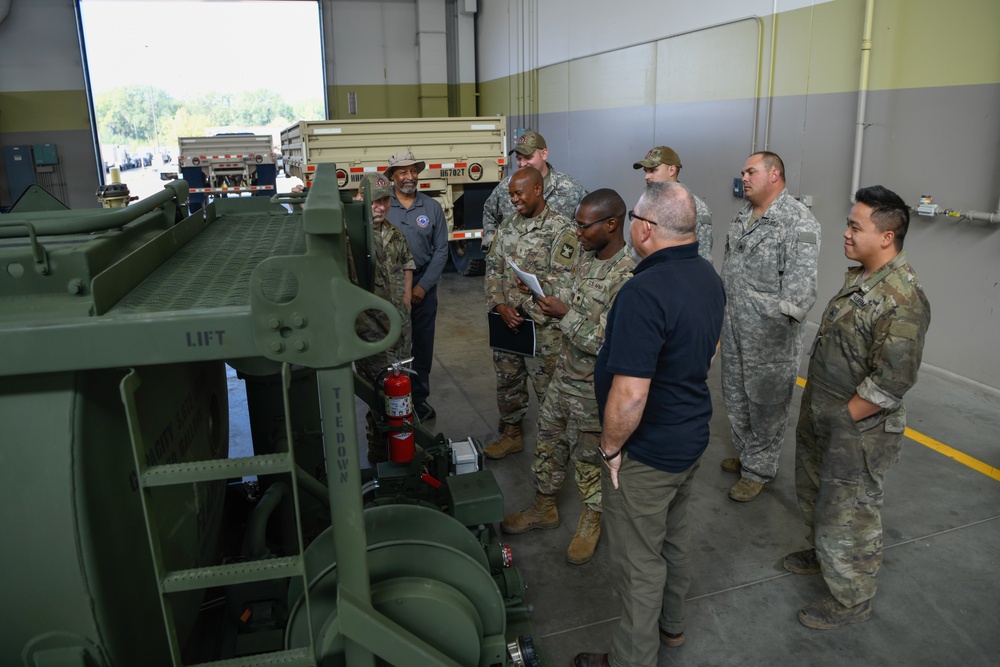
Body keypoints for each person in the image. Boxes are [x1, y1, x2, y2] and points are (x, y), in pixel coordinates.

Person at [573, 182, 724, 667]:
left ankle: (630, 659)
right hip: (690, 438)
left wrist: (613, 450)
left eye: (636, 217)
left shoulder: (643, 291)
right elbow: (709, 351)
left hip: (648, 453)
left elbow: (631, 392)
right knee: (675, 541)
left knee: (638, 563)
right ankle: (671, 629)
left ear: (648, 229)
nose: (634, 224)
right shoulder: (707, 277)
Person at [786, 185, 930, 629]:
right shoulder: (863, 279)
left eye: (855, 226)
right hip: (828, 414)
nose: (846, 233)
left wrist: (843, 417)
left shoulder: (902, 299)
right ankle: (823, 553)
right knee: (816, 494)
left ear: (886, 236)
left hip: (858, 429)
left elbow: (893, 381)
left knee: (851, 513)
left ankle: (852, 599)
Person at [500, 189, 634, 565]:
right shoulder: (585, 259)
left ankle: (592, 520)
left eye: (582, 225)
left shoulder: (627, 276)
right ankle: (545, 508)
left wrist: (563, 315)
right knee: (548, 445)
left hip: (594, 389)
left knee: (589, 460)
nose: (576, 232)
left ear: (610, 224)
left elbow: (610, 342)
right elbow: (567, 298)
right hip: (563, 376)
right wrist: (537, 296)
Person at [720, 151, 821, 502]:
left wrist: (778, 332)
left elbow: (802, 288)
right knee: (735, 394)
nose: (744, 178)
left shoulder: (798, 221)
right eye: (743, 172)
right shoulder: (745, 215)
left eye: (751, 171)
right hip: (734, 324)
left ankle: (759, 468)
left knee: (767, 402)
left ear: (774, 174)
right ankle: (750, 451)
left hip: (770, 334)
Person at [483, 166, 578, 459]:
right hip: (507, 322)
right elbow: (493, 270)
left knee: (548, 391)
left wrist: (532, 296)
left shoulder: (562, 229)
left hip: (543, 328)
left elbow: (568, 280)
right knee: (508, 382)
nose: (514, 200)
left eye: (519, 193)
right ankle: (511, 435)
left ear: (537, 189)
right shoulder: (507, 226)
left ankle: (553, 450)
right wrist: (500, 306)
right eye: (511, 194)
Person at [351, 173, 415, 463]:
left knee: (401, 394)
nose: (381, 207)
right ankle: (378, 452)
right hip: (370, 334)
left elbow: (407, 265)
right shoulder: (348, 237)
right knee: (378, 398)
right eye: (375, 201)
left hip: (399, 331)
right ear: (360, 199)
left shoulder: (394, 233)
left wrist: (405, 303)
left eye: (386, 200)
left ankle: (402, 449)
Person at [384, 149, 448, 422]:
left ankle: (419, 400)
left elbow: (442, 250)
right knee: (392, 346)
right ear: (392, 176)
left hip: (424, 285)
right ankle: (392, 401)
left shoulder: (431, 207)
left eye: (413, 171)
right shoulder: (383, 205)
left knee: (422, 347)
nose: (409, 177)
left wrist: (423, 287)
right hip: (390, 287)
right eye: (402, 172)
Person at [481, 129, 586, 252]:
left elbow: (586, 221)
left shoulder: (570, 188)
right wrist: (492, 245)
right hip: (516, 261)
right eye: (519, 158)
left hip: (557, 264)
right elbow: (489, 213)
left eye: (528, 157)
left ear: (544, 154)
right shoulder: (505, 187)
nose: (522, 163)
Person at [632, 145, 713, 261]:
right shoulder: (644, 205)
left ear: (671, 170)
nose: (647, 176)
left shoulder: (695, 208)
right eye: (646, 171)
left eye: (653, 170)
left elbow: (701, 257)